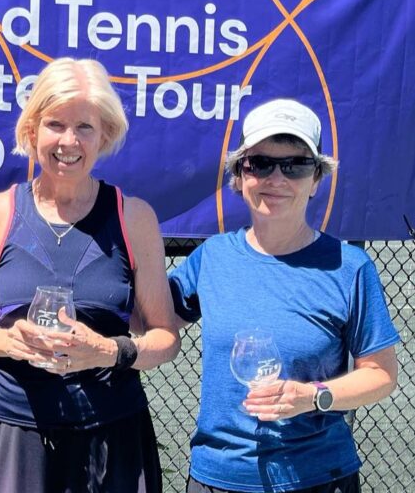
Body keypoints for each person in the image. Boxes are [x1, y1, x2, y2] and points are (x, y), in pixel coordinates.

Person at [0, 58, 180, 493]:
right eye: (55, 124)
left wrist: (109, 351)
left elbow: (165, 339)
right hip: (18, 433)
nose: (68, 141)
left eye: (85, 128)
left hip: (114, 435)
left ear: (105, 135)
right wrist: (11, 340)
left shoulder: (134, 217)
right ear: (32, 130)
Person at [170, 99, 400, 493]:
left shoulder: (348, 267)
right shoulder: (212, 257)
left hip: (315, 478)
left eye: (295, 165)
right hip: (217, 477)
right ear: (239, 177)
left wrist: (313, 397)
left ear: (316, 180)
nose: (276, 178)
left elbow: (381, 375)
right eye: (259, 164)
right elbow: (150, 322)